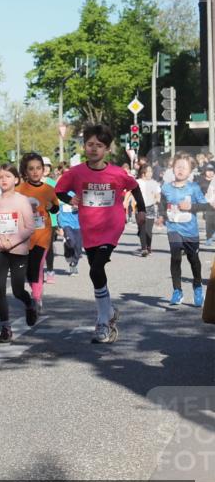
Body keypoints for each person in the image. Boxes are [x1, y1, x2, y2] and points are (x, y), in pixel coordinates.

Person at [54, 124, 145, 344]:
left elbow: (134, 187)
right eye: (90, 144)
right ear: (84, 146)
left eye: (99, 145)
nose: (94, 149)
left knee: (96, 268)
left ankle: (103, 321)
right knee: (96, 273)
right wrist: (69, 199)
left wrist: (141, 210)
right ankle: (109, 312)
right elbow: (58, 190)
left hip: (112, 226)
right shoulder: (76, 173)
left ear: (107, 149)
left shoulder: (116, 173)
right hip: (90, 228)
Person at [0, 165, 37, 343]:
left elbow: (29, 227)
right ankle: (5, 328)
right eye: (0, 177)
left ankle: (29, 304)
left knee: (18, 289)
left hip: (18, 250)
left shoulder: (22, 201)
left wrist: (11, 242)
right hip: (0, 251)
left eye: (8, 176)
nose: (4, 180)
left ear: (16, 179)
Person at [157, 153, 207, 307]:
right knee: (176, 256)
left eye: (184, 167)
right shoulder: (166, 187)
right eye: (178, 166)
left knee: (193, 260)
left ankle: (198, 287)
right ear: (172, 168)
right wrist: (162, 215)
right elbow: (163, 204)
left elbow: (204, 205)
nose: (180, 170)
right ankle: (177, 291)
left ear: (190, 171)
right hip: (174, 228)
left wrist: (191, 207)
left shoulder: (193, 187)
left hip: (190, 230)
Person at [17, 153, 59, 313]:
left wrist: (51, 207)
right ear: (25, 171)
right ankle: (35, 290)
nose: (35, 172)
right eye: (31, 169)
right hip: (24, 236)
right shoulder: (19, 190)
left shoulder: (48, 189)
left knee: (38, 265)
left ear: (43, 170)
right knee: (28, 270)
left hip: (43, 234)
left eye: (38, 168)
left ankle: (36, 298)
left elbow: (56, 207)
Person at [136, 163, 160, 256]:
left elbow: (158, 193)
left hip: (150, 207)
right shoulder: (137, 182)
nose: (150, 173)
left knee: (148, 230)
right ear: (143, 172)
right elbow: (131, 192)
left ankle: (148, 246)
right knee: (142, 229)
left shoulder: (154, 183)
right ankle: (143, 249)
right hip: (140, 207)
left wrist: (157, 199)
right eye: (148, 171)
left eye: (151, 171)